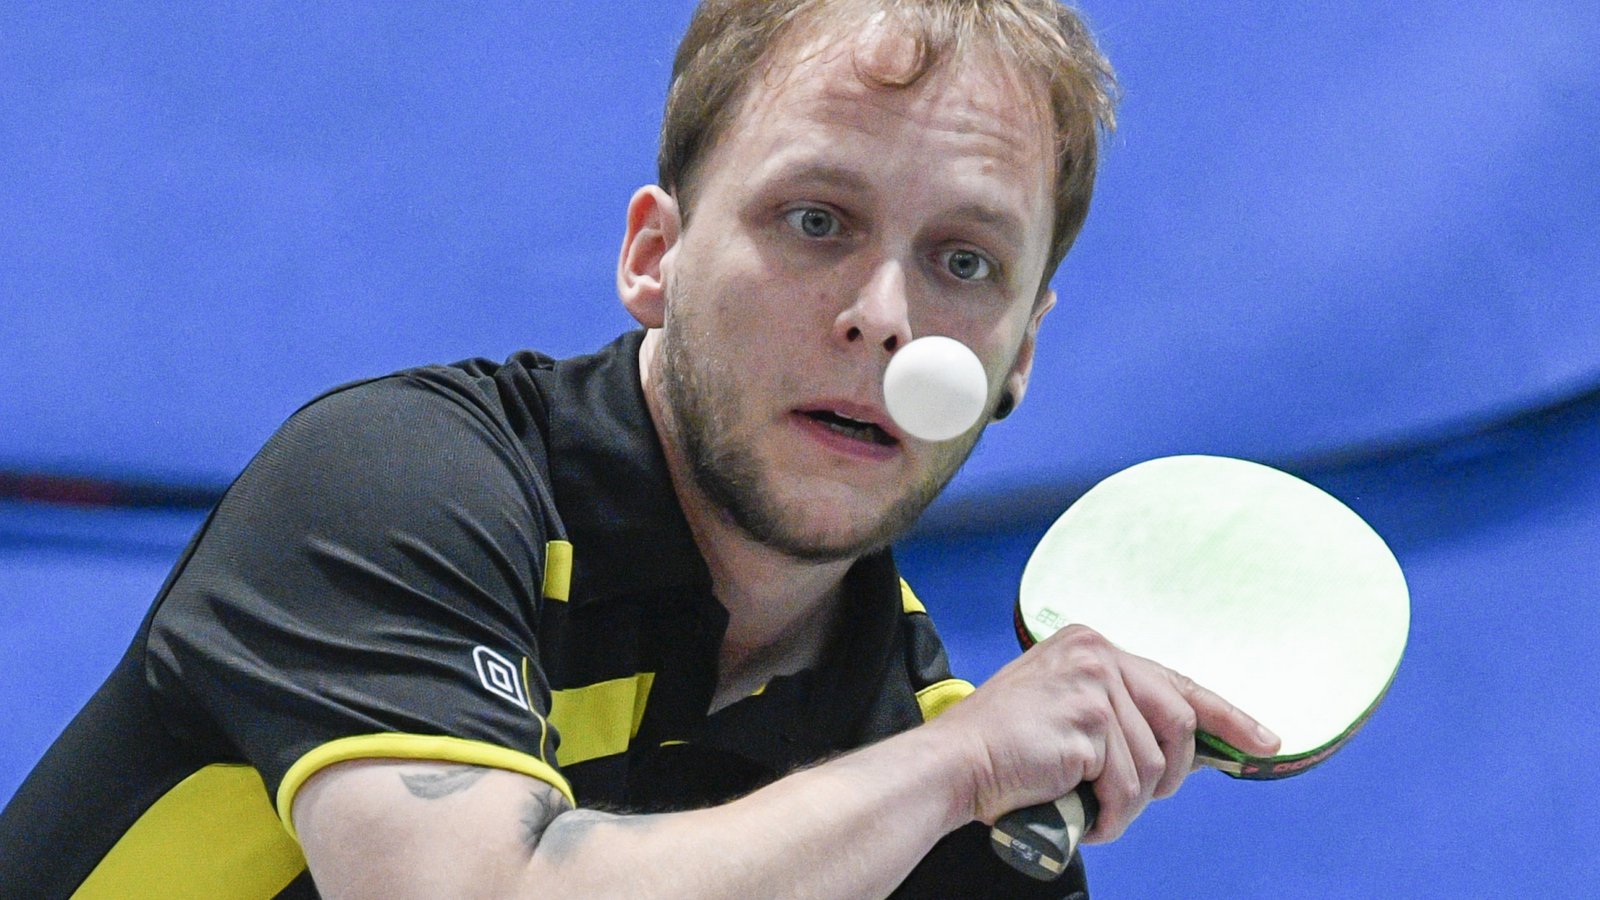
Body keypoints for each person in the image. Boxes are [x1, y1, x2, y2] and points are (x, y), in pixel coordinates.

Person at [0, 1, 1280, 897]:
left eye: (964, 261)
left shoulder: (936, 784)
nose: (885, 319)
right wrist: (959, 766)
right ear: (653, 256)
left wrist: (953, 777)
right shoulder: (397, 486)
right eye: (816, 219)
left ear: (1020, 353)